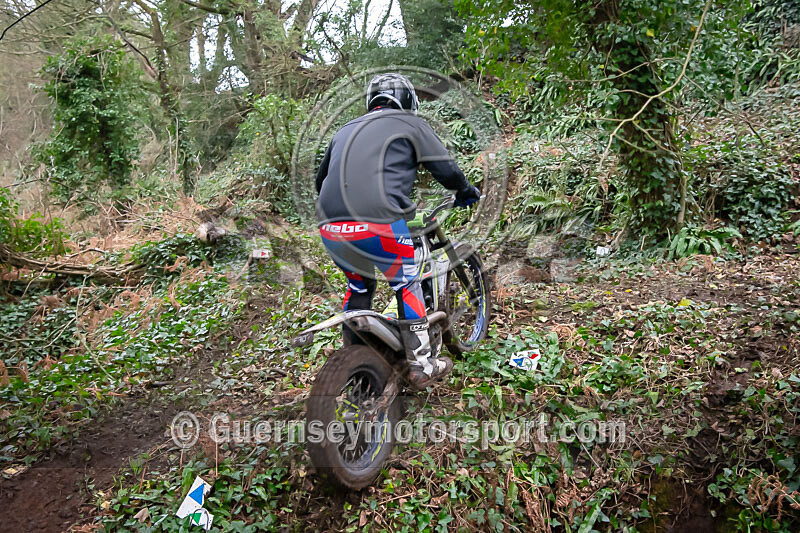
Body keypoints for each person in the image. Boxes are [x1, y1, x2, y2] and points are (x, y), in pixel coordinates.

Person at [315, 73, 481, 387]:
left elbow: (320, 181)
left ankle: (356, 359)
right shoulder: (410, 123)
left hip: (332, 228)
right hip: (380, 223)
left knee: (359, 288)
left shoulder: (344, 130)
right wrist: (464, 191)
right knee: (407, 283)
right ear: (408, 102)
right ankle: (422, 365)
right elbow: (445, 168)